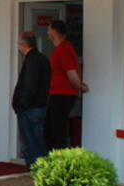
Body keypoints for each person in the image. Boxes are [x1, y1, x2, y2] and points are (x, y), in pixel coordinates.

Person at [45, 20, 89, 151]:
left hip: (62, 94)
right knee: (52, 128)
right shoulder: (60, 49)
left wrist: (80, 88)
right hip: (58, 94)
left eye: (48, 29)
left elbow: (71, 73)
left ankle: (59, 160)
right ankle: (55, 157)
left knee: (57, 130)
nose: (47, 32)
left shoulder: (64, 49)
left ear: (54, 31)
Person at [12, 32, 51, 169]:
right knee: (37, 140)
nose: (18, 46)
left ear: (23, 44)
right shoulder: (42, 59)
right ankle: (40, 167)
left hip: (30, 108)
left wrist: (21, 104)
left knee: (31, 141)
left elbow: (29, 85)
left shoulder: (32, 60)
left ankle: (35, 168)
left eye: (18, 43)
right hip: (38, 106)